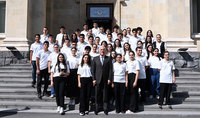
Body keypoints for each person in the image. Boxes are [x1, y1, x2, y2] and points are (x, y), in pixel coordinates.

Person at [92, 46, 113, 115]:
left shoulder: (108, 59)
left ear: (105, 50)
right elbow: (93, 70)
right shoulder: (95, 59)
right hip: (97, 80)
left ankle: (105, 108)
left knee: (105, 95)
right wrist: (93, 79)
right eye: (101, 49)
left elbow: (110, 70)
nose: (102, 51)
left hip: (105, 80)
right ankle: (97, 108)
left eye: (104, 49)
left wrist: (109, 78)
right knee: (97, 95)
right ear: (99, 50)